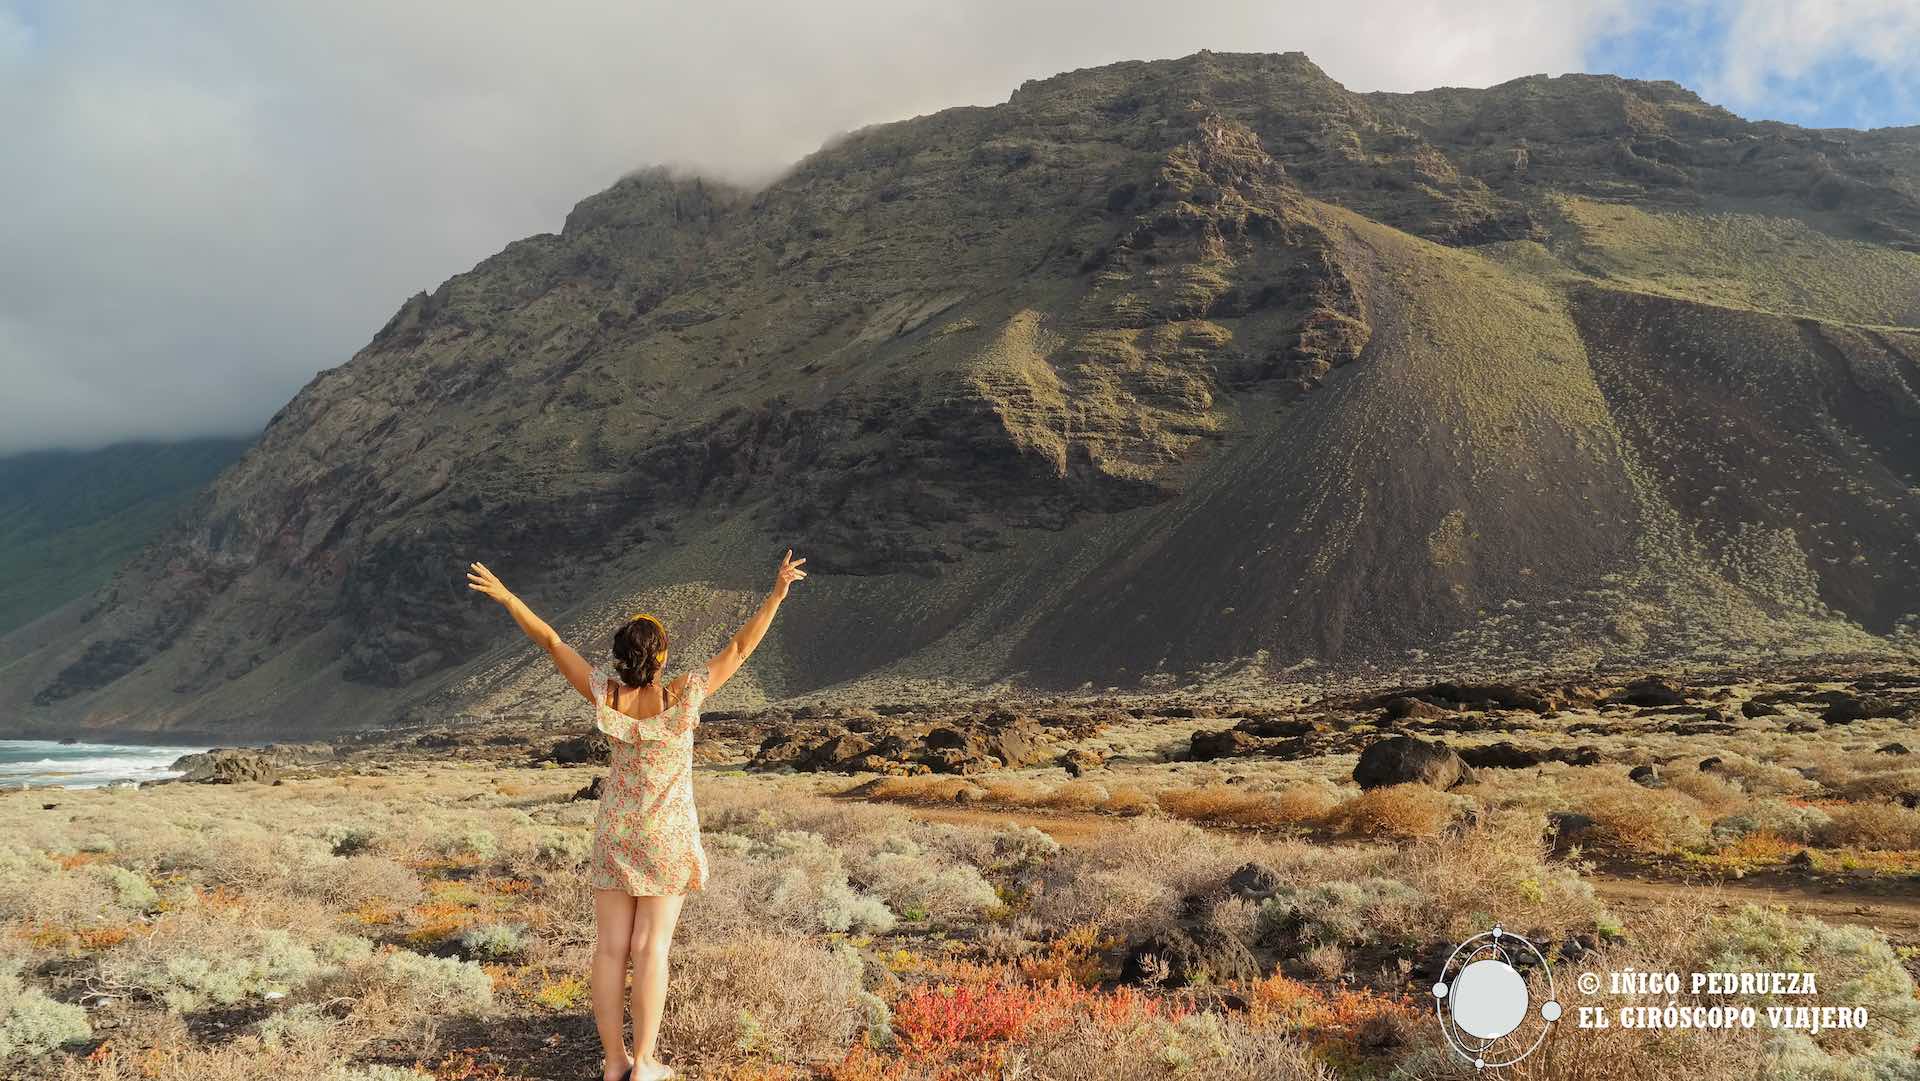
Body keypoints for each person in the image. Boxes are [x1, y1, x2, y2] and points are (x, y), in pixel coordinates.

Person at [466, 550, 807, 1081]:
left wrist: (509, 598)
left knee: (609, 949)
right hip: (666, 836)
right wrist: (777, 592)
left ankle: (614, 1062)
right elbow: (740, 647)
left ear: (620, 658)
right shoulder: (687, 693)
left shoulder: (606, 694)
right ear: (663, 657)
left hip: (616, 833)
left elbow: (552, 641)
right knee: (652, 948)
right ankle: (646, 1063)